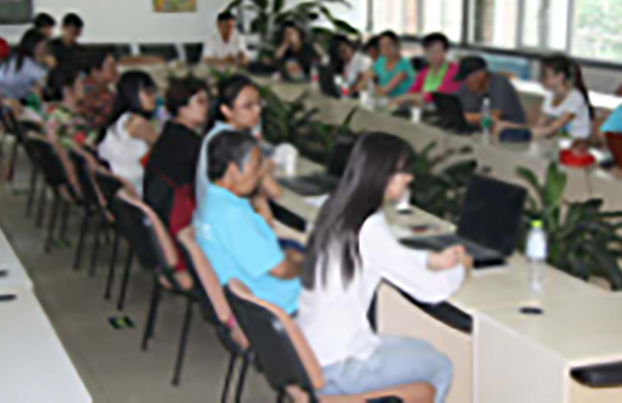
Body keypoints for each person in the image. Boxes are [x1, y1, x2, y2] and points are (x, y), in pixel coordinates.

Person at [298, 132, 468, 402]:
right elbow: (432, 291)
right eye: (403, 172)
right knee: (440, 365)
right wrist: (460, 269)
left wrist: (431, 260)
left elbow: (388, 255)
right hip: (339, 367)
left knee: (422, 349)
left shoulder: (338, 209)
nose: (409, 178)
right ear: (383, 175)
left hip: (310, 351)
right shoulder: (369, 228)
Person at [195, 130, 302, 314]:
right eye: (256, 164)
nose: (260, 173)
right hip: (277, 303)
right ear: (233, 170)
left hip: (245, 296)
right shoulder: (232, 215)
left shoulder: (213, 200)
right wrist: (307, 264)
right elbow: (281, 271)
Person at [196, 75, 281, 216]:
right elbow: (275, 192)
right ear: (226, 110)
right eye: (247, 106)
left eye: (259, 103)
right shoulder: (230, 142)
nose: (257, 111)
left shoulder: (217, 134)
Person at [144, 77, 208, 239]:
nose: (206, 107)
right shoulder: (188, 144)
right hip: (178, 223)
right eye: (200, 102)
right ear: (182, 107)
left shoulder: (170, 134)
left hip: (161, 218)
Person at [496, 54, 593, 140]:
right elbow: (538, 125)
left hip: (575, 146)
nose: (541, 79)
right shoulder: (550, 96)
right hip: (554, 142)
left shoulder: (575, 98)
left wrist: (515, 131)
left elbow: (552, 128)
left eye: (545, 75)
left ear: (560, 77)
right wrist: (508, 125)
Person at [97, 71, 159, 195]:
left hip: (119, 187)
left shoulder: (120, 120)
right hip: (135, 188)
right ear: (132, 94)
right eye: (148, 93)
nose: (154, 97)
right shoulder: (137, 123)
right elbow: (166, 147)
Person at [453, 56, 526, 127]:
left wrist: (465, 116)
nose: (466, 82)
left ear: (481, 74)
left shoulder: (499, 83)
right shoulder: (467, 86)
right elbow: (453, 103)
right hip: (480, 127)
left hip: (510, 127)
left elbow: (493, 117)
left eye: (468, 79)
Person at [43, 66, 96, 149]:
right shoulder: (65, 118)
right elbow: (93, 144)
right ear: (67, 89)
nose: (84, 84)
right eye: (80, 81)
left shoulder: (56, 109)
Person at [399, 33, 459, 105]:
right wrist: (407, 97)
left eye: (436, 51)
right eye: (429, 51)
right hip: (425, 109)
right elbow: (411, 92)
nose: (432, 55)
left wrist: (416, 97)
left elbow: (438, 95)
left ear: (445, 52)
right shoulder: (424, 72)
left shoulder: (454, 71)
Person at [0, 29, 49, 102]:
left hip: (10, 99)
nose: (44, 50)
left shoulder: (16, 57)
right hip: (16, 101)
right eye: (43, 47)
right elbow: (48, 80)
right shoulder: (27, 63)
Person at [361, 31, 415, 98]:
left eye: (388, 45)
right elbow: (366, 78)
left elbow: (384, 91)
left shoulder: (404, 64)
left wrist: (369, 87)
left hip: (402, 102)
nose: (385, 49)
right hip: (385, 100)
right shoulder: (381, 60)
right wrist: (363, 83)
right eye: (382, 46)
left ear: (397, 46)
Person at [79, 51, 118, 131]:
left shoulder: (104, 88)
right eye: (111, 67)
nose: (115, 71)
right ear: (95, 70)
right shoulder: (89, 89)